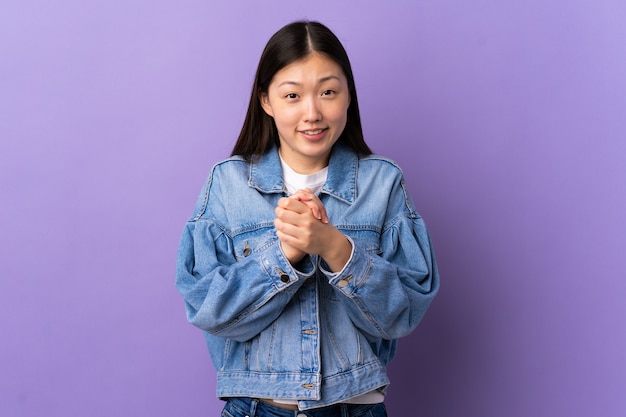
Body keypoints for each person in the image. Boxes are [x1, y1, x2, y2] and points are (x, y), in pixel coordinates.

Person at [176, 20, 440, 417]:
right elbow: (208, 310)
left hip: (356, 408)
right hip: (257, 408)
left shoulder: (383, 183)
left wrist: (336, 249)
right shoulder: (227, 183)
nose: (312, 113)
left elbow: (402, 314)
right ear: (266, 101)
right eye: (293, 95)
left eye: (328, 92)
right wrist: (285, 254)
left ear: (348, 95)